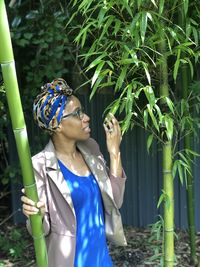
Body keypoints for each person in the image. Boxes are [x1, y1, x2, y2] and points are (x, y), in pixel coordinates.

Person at [21, 78, 127, 267]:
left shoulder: (91, 149)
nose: (86, 117)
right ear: (57, 124)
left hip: (101, 260)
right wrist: (34, 213)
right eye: (77, 114)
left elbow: (115, 200)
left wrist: (114, 152)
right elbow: (40, 229)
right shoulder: (39, 165)